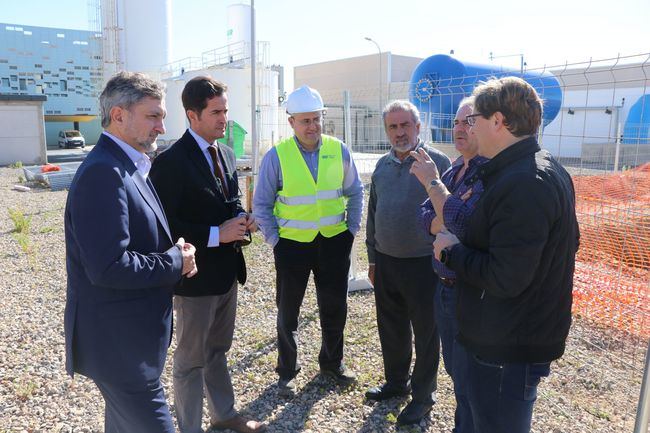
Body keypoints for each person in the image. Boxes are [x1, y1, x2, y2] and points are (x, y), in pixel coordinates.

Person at [430, 77, 580, 433]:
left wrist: (452, 253)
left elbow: (505, 277)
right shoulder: (529, 169)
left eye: (473, 119)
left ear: (497, 121)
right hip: (502, 336)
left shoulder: (526, 181)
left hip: (505, 346)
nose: (468, 126)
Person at [64, 71, 197, 432]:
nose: (161, 127)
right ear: (119, 115)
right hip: (119, 347)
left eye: (162, 117)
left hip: (129, 340)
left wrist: (173, 250)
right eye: (153, 116)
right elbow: (108, 266)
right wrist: (175, 260)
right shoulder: (103, 173)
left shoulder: (130, 164)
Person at [150, 76, 265, 433]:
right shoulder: (170, 162)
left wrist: (242, 222)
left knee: (217, 350)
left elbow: (224, 203)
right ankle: (189, 427)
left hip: (226, 274)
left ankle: (224, 414)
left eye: (225, 110)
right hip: (194, 279)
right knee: (189, 361)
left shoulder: (226, 153)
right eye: (216, 112)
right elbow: (164, 224)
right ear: (192, 115)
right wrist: (217, 233)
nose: (224, 119)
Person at [253, 85, 364, 398]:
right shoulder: (277, 156)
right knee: (288, 313)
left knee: (334, 307)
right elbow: (261, 204)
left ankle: (332, 362)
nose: (313, 126)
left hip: (333, 242)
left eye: (317, 119)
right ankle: (287, 370)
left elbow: (355, 192)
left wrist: (350, 230)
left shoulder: (338, 149)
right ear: (291, 122)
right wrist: (275, 241)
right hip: (292, 247)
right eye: (306, 121)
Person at [365, 100, 451, 426]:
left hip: (424, 265)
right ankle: (396, 383)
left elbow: (451, 213)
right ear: (387, 130)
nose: (400, 132)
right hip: (387, 262)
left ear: (418, 127)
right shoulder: (382, 167)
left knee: (427, 334)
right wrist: (373, 258)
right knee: (392, 327)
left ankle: (423, 397)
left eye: (405, 125)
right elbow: (373, 213)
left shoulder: (438, 163)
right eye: (393, 126)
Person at [411, 97, 487, 433]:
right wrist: (446, 213)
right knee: (456, 372)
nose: (459, 128)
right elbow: (425, 215)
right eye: (456, 122)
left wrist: (435, 187)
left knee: (471, 381)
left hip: (467, 291)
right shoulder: (456, 169)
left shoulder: (486, 175)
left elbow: (462, 225)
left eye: (468, 121)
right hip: (443, 287)